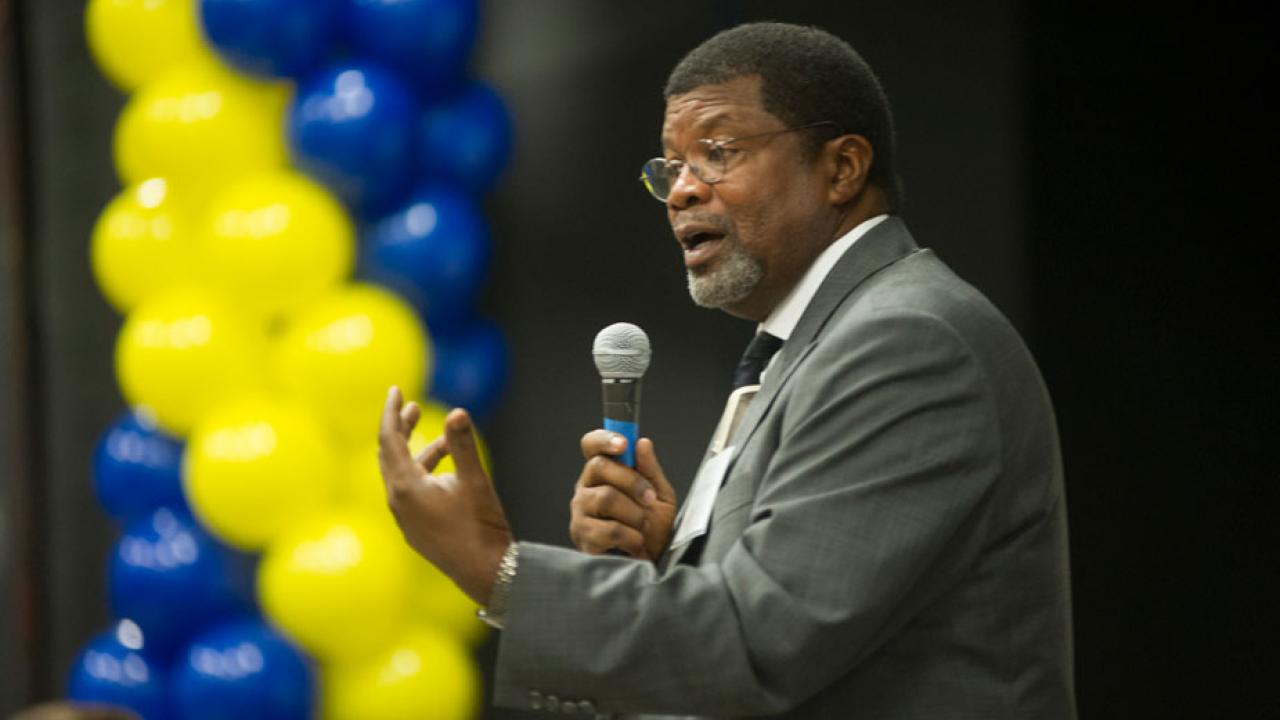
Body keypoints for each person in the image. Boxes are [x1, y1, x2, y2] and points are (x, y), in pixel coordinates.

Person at [378, 22, 1076, 719]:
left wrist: (495, 567)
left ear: (841, 168)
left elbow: (757, 642)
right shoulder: (809, 344)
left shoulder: (907, 341)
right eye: (670, 168)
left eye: (718, 153)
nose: (681, 191)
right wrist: (661, 565)